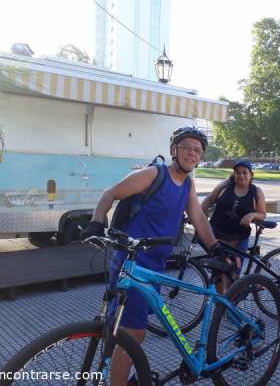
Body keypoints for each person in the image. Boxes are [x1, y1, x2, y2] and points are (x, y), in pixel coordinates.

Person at [81, 125, 224, 385]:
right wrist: (96, 222)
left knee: (126, 330)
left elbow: (198, 217)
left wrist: (214, 246)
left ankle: (116, 374)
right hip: (131, 264)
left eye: (197, 150)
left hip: (155, 267)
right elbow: (109, 194)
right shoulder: (154, 175)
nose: (192, 153)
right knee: (132, 333)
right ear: (174, 150)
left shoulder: (187, 184)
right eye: (187, 148)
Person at [201, 160, 266, 289]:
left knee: (232, 276)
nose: (241, 175)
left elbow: (262, 214)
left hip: (238, 239)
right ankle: (220, 306)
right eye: (237, 173)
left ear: (251, 175)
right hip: (217, 236)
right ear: (233, 174)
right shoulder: (225, 186)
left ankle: (230, 303)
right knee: (218, 273)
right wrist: (197, 213)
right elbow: (209, 199)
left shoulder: (256, 192)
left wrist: (252, 215)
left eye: (244, 172)